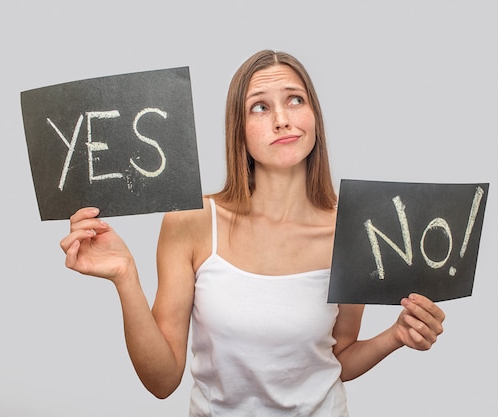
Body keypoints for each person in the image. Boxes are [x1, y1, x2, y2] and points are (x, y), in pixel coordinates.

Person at [60, 50, 445, 416]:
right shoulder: (191, 222)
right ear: (238, 131)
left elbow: (337, 358)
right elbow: (162, 380)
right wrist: (126, 277)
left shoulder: (354, 228)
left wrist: (396, 336)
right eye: (260, 106)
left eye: (295, 100)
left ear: (314, 116)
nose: (282, 119)